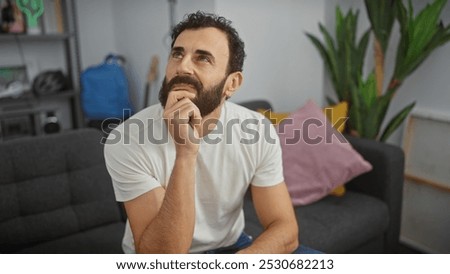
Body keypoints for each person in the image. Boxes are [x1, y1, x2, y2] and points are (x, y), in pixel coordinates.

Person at [104, 11, 306, 254]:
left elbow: (285, 229)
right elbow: (162, 257)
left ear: (232, 84)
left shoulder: (258, 130)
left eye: (203, 58)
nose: (183, 67)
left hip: (234, 247)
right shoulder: (126, 139)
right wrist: (186, 153)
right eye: (177, 54)